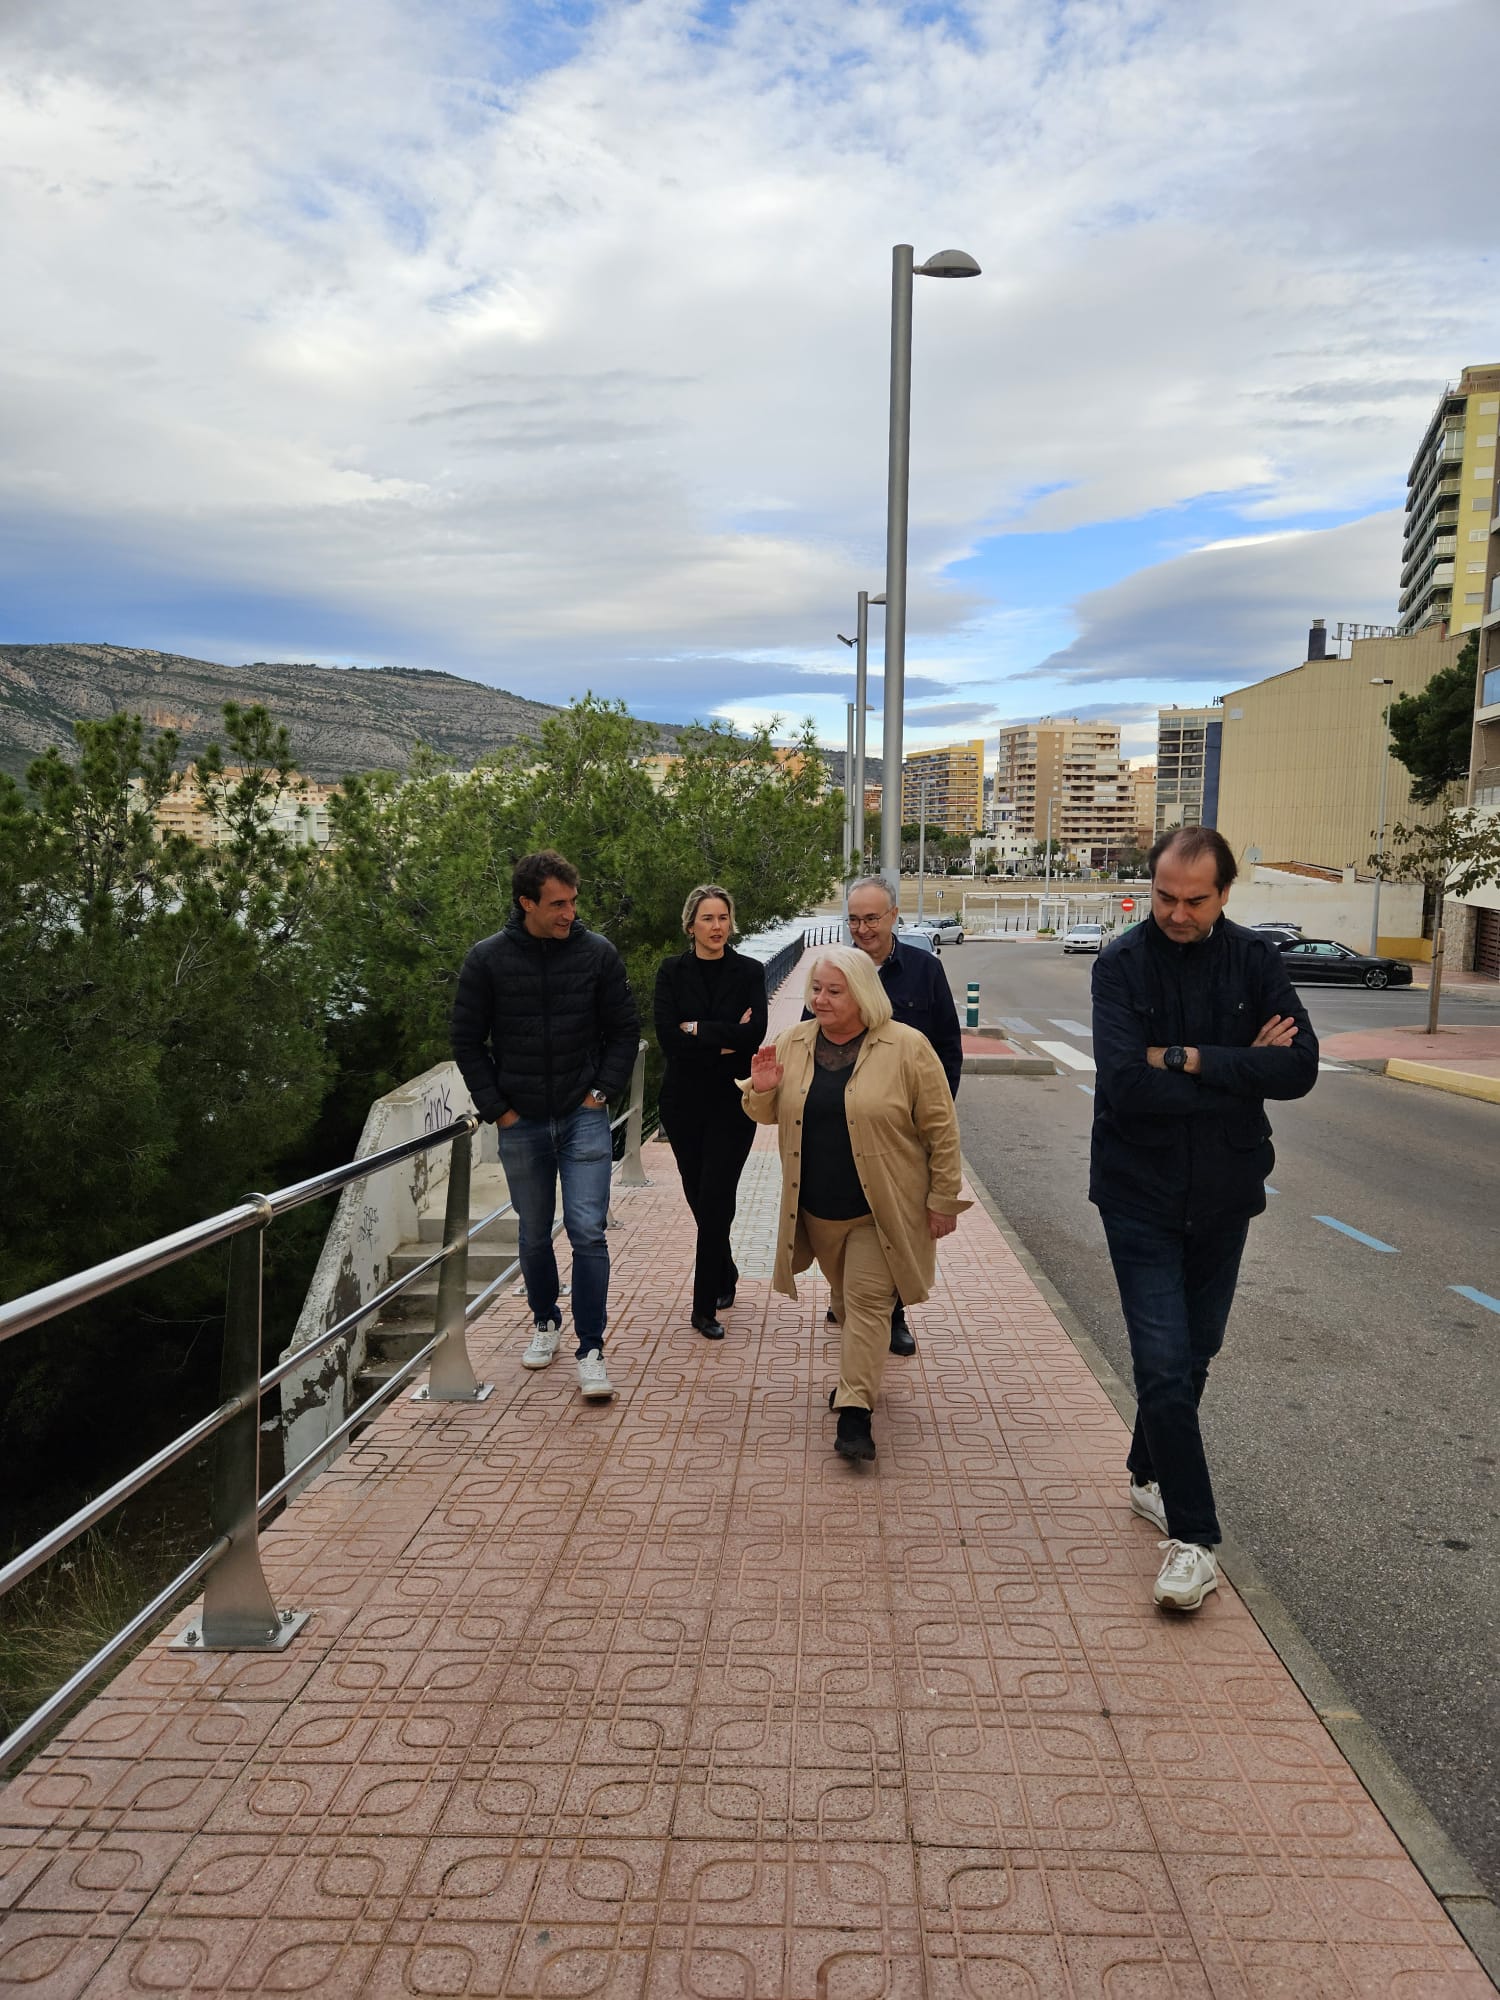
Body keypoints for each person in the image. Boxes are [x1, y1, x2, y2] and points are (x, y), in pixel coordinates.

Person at [1090, 826, 1318, 1611]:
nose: (1176, 913)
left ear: (1224, 895)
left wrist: (1186, 1057)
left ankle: (1147, 1474)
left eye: (1194, 900)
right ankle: (1195, 1540)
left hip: (1225, 1193)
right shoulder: (1119, 963)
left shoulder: (1255, 960)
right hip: (1137, 1192)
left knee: (1196, 1355)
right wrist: (1237, 1067)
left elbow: (1299, 1067)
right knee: (1161, 1360)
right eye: (1163, 897)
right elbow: (1125, 1085)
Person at [744, 944, 968, 1463]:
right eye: (816, 990)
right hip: (818, 1210)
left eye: (833, 991)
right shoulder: (794, 1042)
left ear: (863, 992)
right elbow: (764, 1112)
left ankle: (854, 1414)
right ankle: (857, 1378)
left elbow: (942, 1130)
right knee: (845, 1304)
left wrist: (942, 1199)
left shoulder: (907, 1048)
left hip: (882, 1209)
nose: (819, 1000)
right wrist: (761, 1090)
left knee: (868, 1305)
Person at [451, 848, 641, 1401]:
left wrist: (600, 1092)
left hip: (583, 1117)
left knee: (588, 1232)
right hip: (521, 1121)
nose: (570, 913)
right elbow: (467, 1042)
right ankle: (544, 1320)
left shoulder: (598, 954)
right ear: (526, 902)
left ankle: (591, 1349)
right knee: (533, 1233)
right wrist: (500, 1110)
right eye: (558, 904)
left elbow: (624, 1030)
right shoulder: (486, 960)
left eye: (573, 902)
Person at [825, 875, 964, 1358]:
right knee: (843, 1215)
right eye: (855, 919)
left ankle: (893, 1313)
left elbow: (948, 1046)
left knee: (896, 1223)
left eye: (871, 919)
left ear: (892, 917)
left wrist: (936, 1113)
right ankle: (847, 1294)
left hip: (901, 1129)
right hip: (842, 1126)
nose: (862, 929)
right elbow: (811, 1034)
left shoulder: (925, 971)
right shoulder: (836, 970)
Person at [653, 885, 768, 1339]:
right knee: (699, 1194)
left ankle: (704, 1308)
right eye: (707, 918)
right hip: (682, 1103)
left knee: (717, 1194)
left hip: (734, 1101)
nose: (717, 926)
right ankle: (724, 1268)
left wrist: (696, 1028)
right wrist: (722, 1038)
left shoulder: (750, 971)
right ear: (690, 925)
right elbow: (668, 1038)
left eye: (723, 918)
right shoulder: (670, 972)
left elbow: (754, 1032)